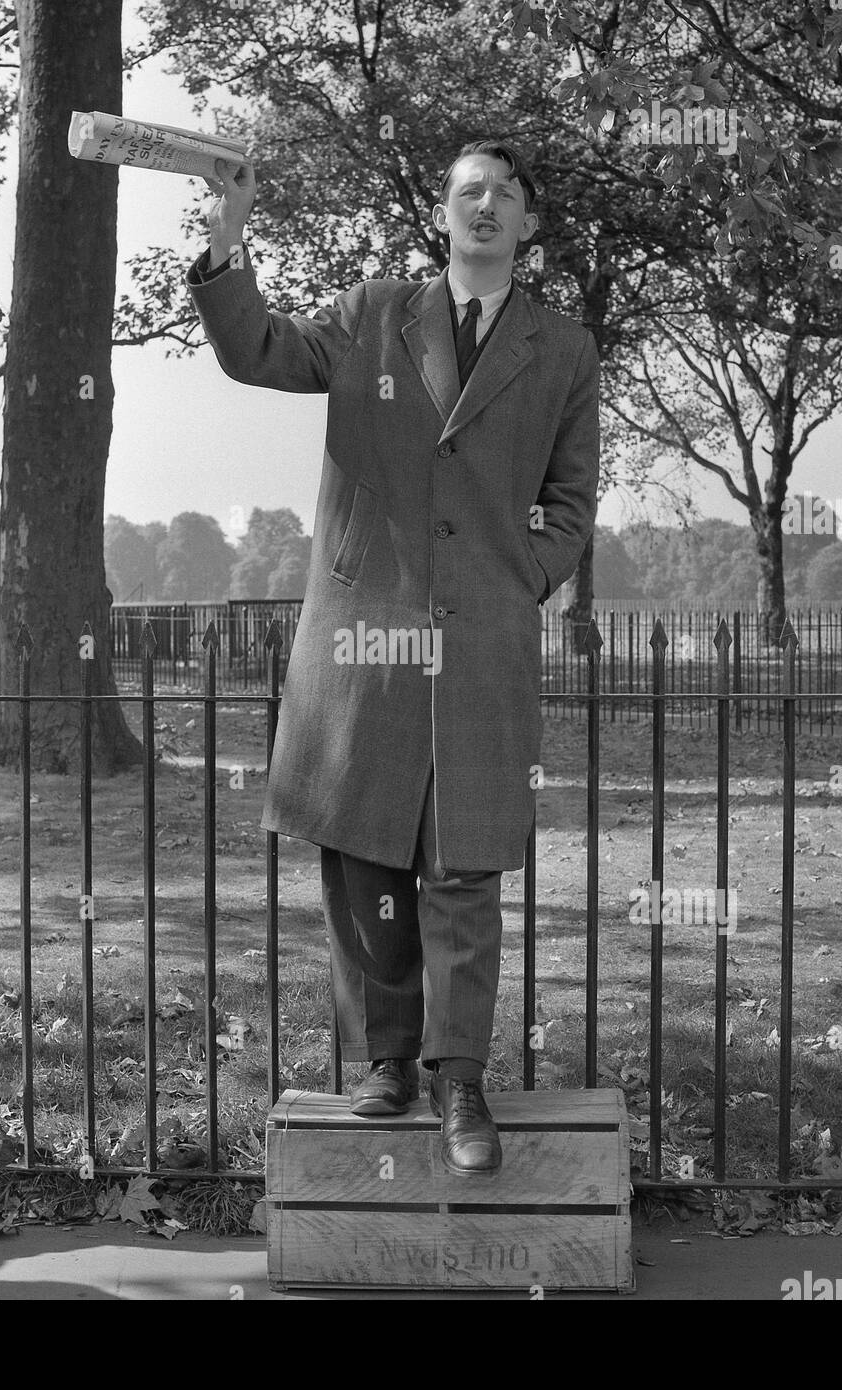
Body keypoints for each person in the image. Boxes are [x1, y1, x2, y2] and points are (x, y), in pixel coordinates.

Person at [188, 140, 599, 1175]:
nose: (488, 204)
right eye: (468, 190)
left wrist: (524, 578)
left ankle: (460, 1081)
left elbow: (574, 502)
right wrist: (228, 235)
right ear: (443, 215)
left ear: (531, 223)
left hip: (481, 643)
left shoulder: (564, 348)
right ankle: (388, 1061)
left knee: (464, 863)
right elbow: (256, 351)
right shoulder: (373, 311)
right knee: (365, 852)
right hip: (362, 640)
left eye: (509, 190)